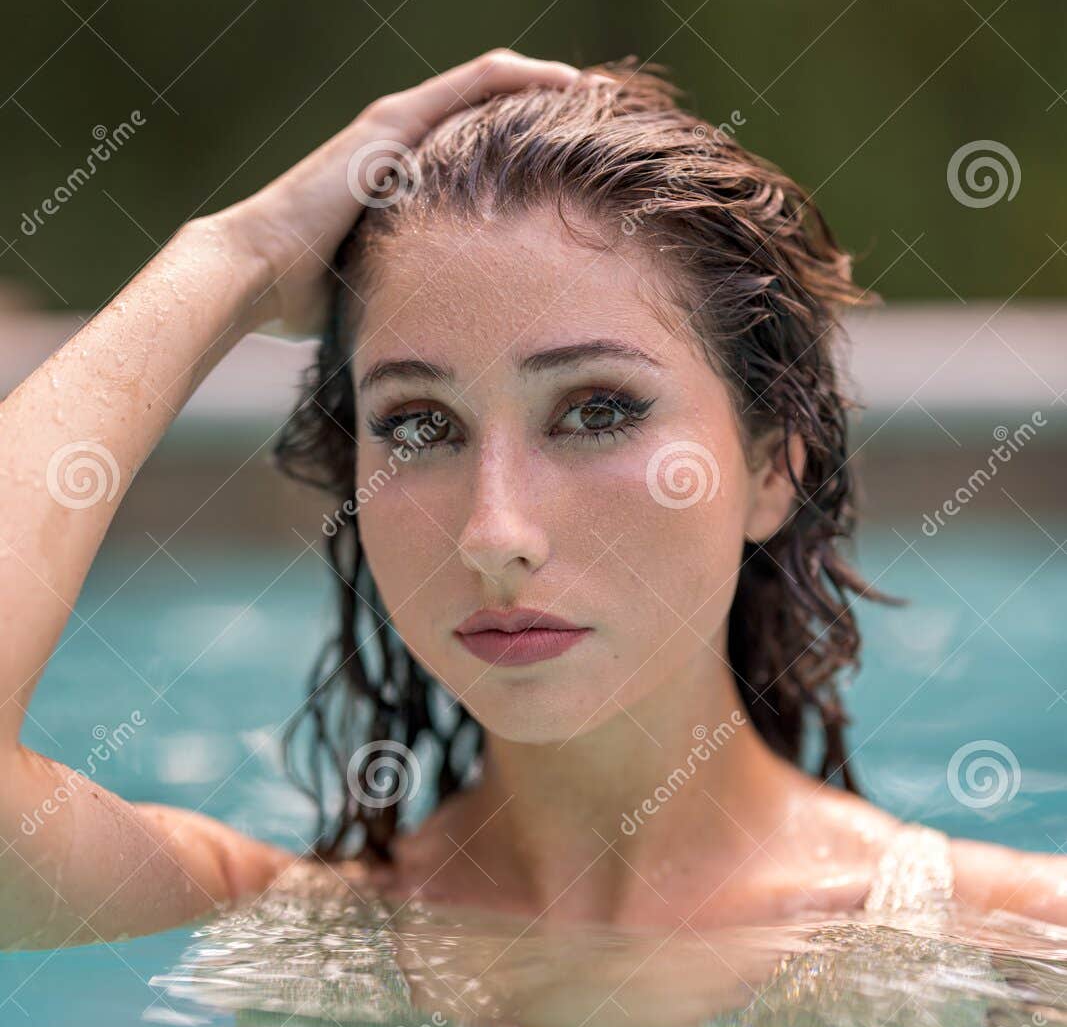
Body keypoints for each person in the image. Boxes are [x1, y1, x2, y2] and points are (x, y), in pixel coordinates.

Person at [2, 48, 1065, 953]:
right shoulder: (289, 931)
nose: (495, 534)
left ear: (771, 466)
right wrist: (233, 256)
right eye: (418, 425)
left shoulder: (1014, 944)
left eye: (597, 409)